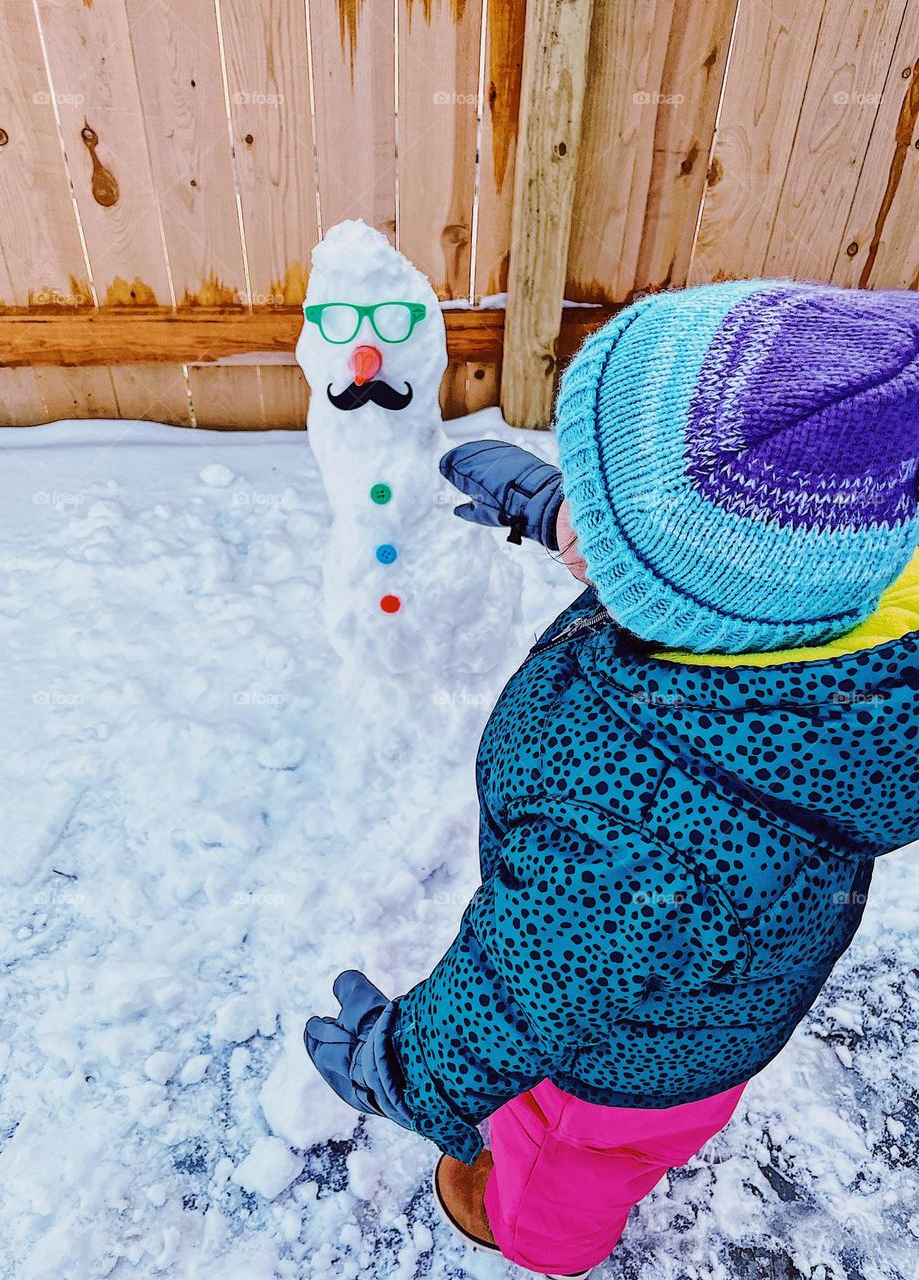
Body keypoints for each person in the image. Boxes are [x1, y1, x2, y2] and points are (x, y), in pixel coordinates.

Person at [304, 279, 919, 1278]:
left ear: (693, 596)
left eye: (606, 515)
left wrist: (401, 1065)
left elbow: (520, 986)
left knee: (558, 1171)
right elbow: (730, 569)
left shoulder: (654, 815)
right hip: (707, 999)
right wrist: (562, 513)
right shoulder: (847, 605)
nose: (579, 514)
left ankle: (538, 1239)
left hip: (624, 1067)